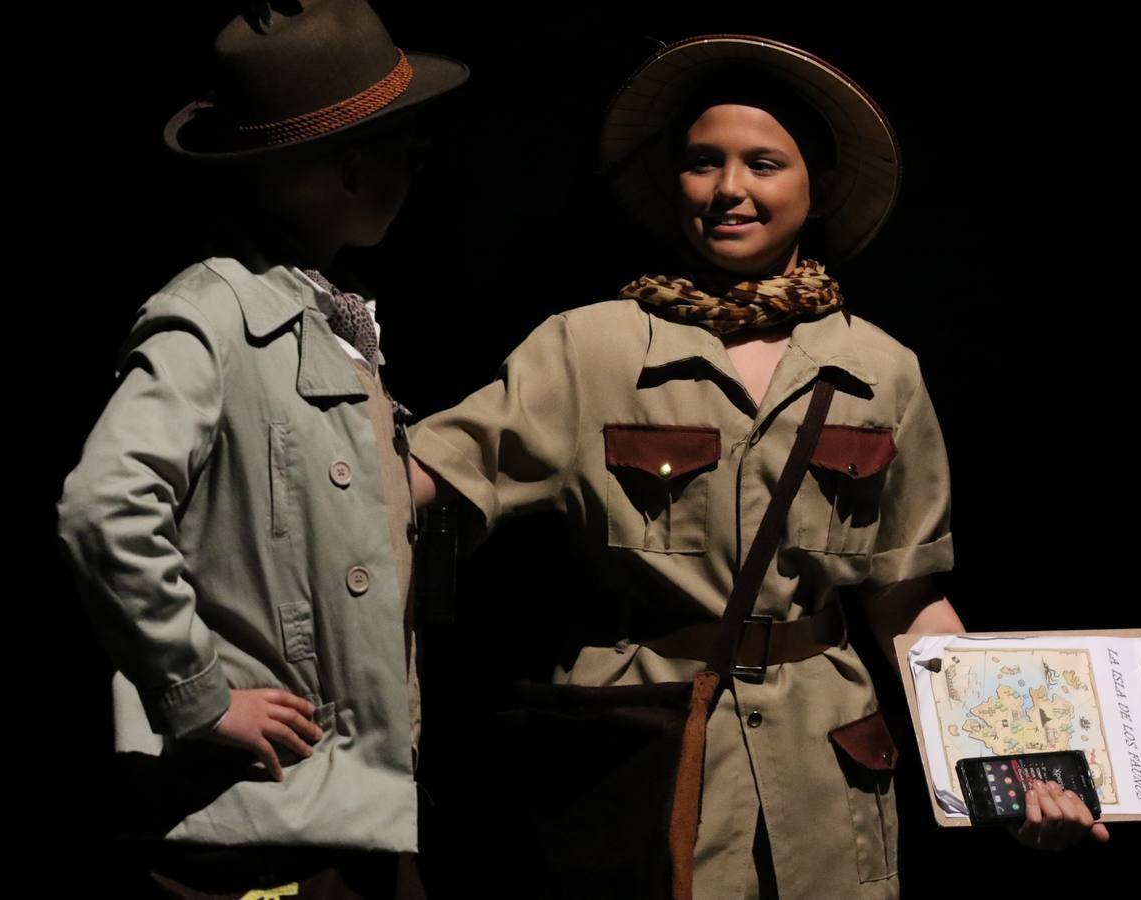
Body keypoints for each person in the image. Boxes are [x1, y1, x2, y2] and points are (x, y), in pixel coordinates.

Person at [407, 35, 1104, 899]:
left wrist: (1016, 768)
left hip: (824, 770)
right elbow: (424, 474)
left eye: (763, 163)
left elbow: (909, 600)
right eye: (704, 162)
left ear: (819, 188)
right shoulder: (591, 349)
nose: (729, 188)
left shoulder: (880, 371)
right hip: (648, 750)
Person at [55, 2, 467, 896]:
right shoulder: (211, 316)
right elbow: (105, 506)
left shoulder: (325, 311)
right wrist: (199, 695)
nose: (416, 169)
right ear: (352, 165)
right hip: (257, 818)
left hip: (344, 806)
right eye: (408, 150)